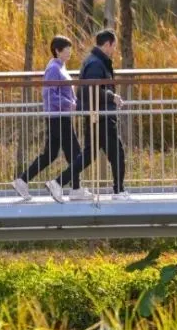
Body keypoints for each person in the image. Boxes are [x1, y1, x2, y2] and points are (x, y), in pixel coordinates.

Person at [12, 36, 93, 204]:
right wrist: (69, 104)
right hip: (58, 117)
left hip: (59, 116)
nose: (69, 52)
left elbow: (63, 92)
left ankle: (23, 180)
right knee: (75, 153)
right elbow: (49, 94)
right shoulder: (53, 69)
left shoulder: (60, 67)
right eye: (66, 49)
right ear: (57, 50)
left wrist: (73, 102)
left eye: (70, 49)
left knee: (50, 154)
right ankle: (74, 188)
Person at [76, 29, 130, 200]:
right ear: (107, 44)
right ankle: (118, 191)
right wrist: (112, 97)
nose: (114, 50)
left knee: (91, 154)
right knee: (116, 153)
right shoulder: (96, 63)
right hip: (101, 116)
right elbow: (92, 88)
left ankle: (57, 182)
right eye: (114, 46)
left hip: (99, 114)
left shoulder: (96, 61)